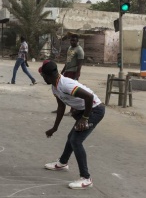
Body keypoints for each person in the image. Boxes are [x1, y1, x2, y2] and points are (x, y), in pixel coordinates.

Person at [38, 60, 105, 189]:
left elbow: (89, 97)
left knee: (76, 140)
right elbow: (61, 107)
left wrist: (84, 118)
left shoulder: (66, 85)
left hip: (95, 110)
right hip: (84, 111)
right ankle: (63, 163)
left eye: (43, 75)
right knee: (72, 137)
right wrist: (54, 128)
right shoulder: (54, 86)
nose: (42, 77)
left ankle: (86, 178)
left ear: (48, 76)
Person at [52, 34, 84, 115]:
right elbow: (67, 61)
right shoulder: (70, 48)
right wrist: (62, 71)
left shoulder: (79, 50)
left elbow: (80, 65)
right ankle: (60, 107)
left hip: (73, 72)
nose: (72, 42)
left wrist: (77, 76)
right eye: (71, 40)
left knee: (71, 92)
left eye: (74, 40)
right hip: (67, 71)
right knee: (60, 89)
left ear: (77, 41)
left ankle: (72, 110)